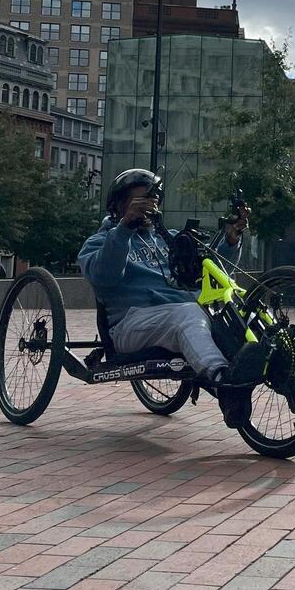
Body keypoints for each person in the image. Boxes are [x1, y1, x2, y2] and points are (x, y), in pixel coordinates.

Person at [79, 169, 260, 427]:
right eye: (138, 203)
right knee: (186, 313)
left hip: (188, 314)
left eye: (151, 203)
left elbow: (211, 277)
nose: (147, 210)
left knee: (241, 312)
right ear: (119, 205)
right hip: (131, 325)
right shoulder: (98, 242)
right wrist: (124, 229)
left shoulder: (170, 239)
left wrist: (231, 240)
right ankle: (224, 385)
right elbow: (104, 277)